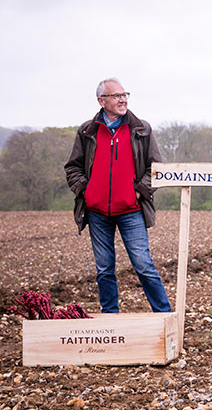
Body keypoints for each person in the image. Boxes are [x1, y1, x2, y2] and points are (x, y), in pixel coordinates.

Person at [64, 78, 171, 314]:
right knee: (104, 269)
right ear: (101, 101)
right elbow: (72, 167)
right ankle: (109, 318)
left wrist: (138, 191)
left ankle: (165, 315)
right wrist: (86, 190)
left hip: (131, 210)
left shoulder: (141, 129)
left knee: (143, 266)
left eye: (125, 95)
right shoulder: (86, 131)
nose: (123, 100)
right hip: (97, 212)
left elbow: (156, 169)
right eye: (116, 96)